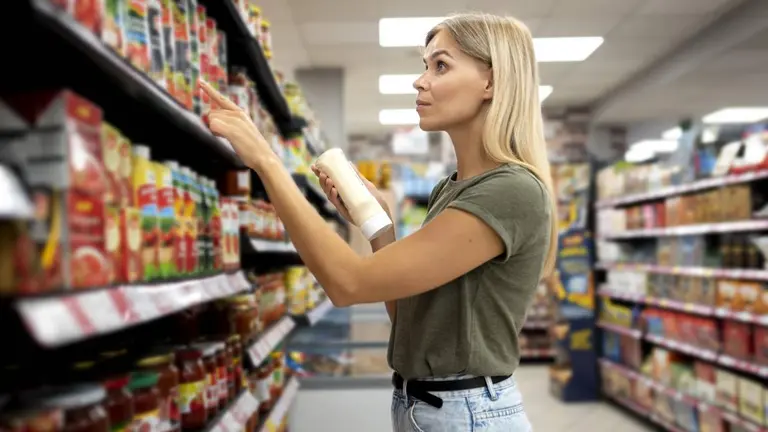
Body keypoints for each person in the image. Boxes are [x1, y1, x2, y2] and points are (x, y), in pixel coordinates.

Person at [200, 12, 555, 432]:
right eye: (425, 66)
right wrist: (378, 226)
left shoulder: (509, 190)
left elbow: (348, 284)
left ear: (491, 83)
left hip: (467, 413)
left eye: (440, 65)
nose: (420, 81)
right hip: (426, 405)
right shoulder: (452, 188)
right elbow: (409, 318)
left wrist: (265, 162)